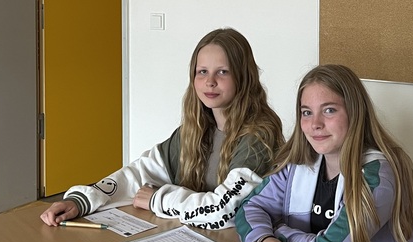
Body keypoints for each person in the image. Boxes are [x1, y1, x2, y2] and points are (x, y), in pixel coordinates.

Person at [234, 64, 413, 242]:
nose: (315, 124)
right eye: (306, 112)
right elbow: (248, 208)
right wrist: (263, 241)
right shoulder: (299, 162)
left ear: (355, 113)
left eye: (329, 110)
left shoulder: (377, 176)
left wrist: (276, 232)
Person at [40, 28, 284, 230]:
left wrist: (159, 199)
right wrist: (82, 200)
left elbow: (226, 211)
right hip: (199, 240)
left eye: (222, 72)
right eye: (202, 72)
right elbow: (141, 173)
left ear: (243, 77)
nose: (210, 81)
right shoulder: (196, 129)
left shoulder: (258, 137)